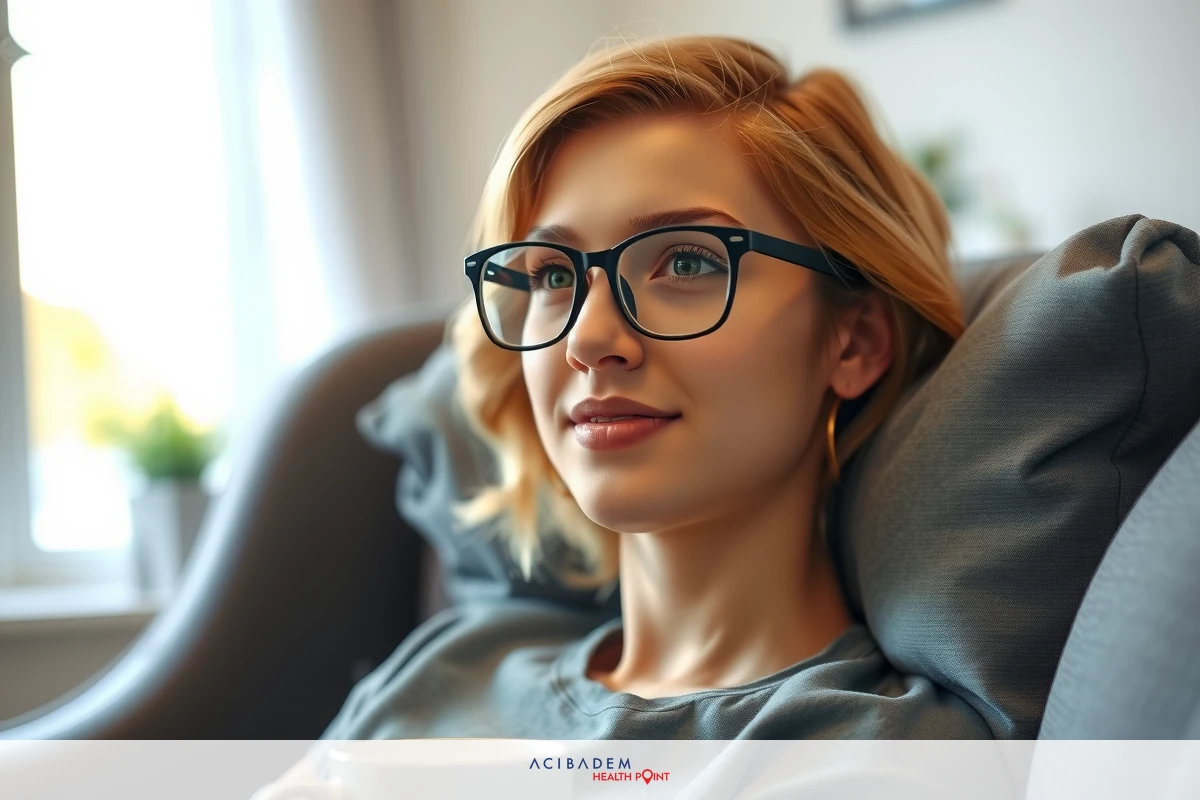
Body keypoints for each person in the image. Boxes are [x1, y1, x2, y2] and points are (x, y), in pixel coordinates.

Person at [316, 33, 991, 742]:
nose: (586, 341)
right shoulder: (439, 674)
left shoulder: (880, 756)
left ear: (853, 342)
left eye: (687, 263)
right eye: (554, 275)